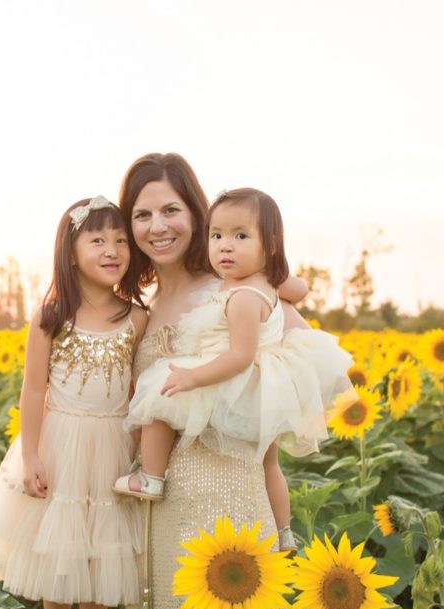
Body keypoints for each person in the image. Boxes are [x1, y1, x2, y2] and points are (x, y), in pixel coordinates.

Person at [117, 154, 324, 609]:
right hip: (156, 506)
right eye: (141, 216)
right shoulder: (139, 312)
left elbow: (300, 363)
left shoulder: (236, 290)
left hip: (227, 493)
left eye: (171, 210)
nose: (157, 226)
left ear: (197, 214)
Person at [114, 188, 353, 555]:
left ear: (269, 245)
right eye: (218, 236)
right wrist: (285, 280)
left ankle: (151, 477)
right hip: (256, 384)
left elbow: (240, 355)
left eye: (240, 236)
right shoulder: (261, 283)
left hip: (229, 376)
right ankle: (285, 531)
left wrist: (192, 377)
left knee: (159, 397)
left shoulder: (241, 296)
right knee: (270, 460)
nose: (226, 246)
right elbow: (297, 288)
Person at [0, 196, 147, 609]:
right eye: (98, 240)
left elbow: (137, 391)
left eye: (121, 240)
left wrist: (142, 454)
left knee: (100, 544)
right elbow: (33, 389)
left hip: (112, 440)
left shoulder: (137, 317)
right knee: (57, 539)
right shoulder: (51, 316)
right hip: (59, 439)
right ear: (70, 252)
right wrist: (30, 454)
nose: (112, 250)